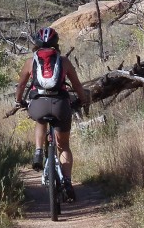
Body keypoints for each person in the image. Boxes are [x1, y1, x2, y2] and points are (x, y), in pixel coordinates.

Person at [14, 27, 89, 202]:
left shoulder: (29, 62)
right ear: (56, 43)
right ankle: (68, 182)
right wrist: (82, 100)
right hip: (61, 105)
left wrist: (20, 101)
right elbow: (77, 86)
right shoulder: (63, 61)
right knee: (64, 145)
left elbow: (21, 87)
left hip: (38, 104)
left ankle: (38, 152)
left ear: (36, 44)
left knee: (40, 120)